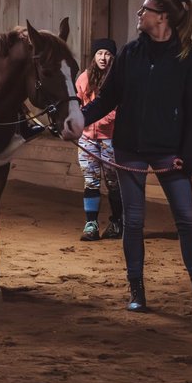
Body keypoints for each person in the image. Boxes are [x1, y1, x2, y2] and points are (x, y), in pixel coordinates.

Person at [80, 0, 192, 316]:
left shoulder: (189, 58)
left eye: (145, 9)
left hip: (170, 154)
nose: (139, 12)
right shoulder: (130, 53)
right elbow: (107, 100)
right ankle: (137, 291)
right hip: (129, 149)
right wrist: (79, 118)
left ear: (162, 17)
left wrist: (189, 159)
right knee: (134, 221)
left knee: (187, 220)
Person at [75, 38, 123, 242]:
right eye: (100, 53)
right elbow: (77, 102)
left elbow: (118, 107)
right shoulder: (84, 78)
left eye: (108, 54)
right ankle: (91, 223)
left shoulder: (118, 78)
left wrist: (102, 119)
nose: (103, 57)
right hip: (87, 139)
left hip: (110, 138)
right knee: (90, 181)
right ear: (94, 56)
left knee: (113, 182)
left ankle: (117, 222)